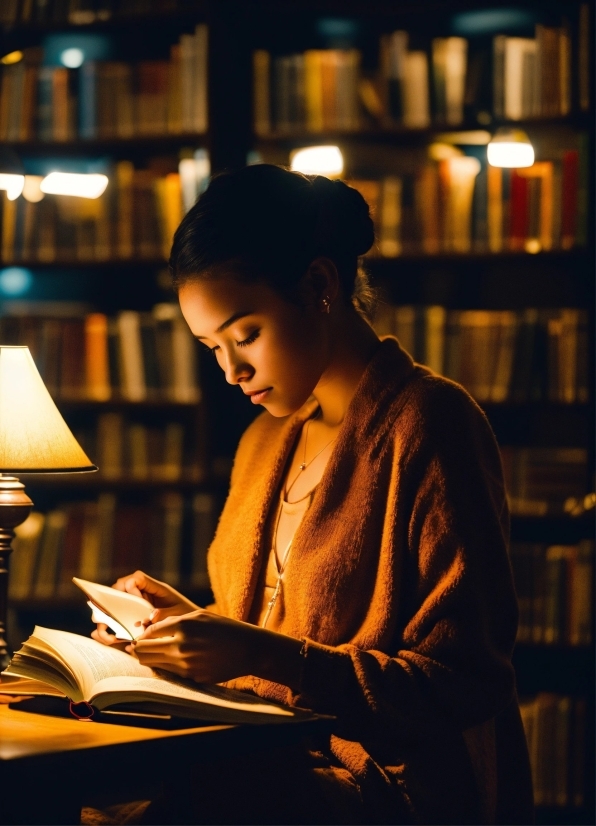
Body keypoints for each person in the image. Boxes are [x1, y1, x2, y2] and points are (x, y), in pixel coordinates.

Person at [88, 164, 533, 825]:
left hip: (389, 786)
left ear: (320, 285)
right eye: (212, 347)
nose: (232, 371)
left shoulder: (431, 424)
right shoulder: (265, 443)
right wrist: (178, 628)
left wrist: (256, 652)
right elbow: (276, 628)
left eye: (246, 334)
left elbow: (466, 681)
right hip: (261, 754)